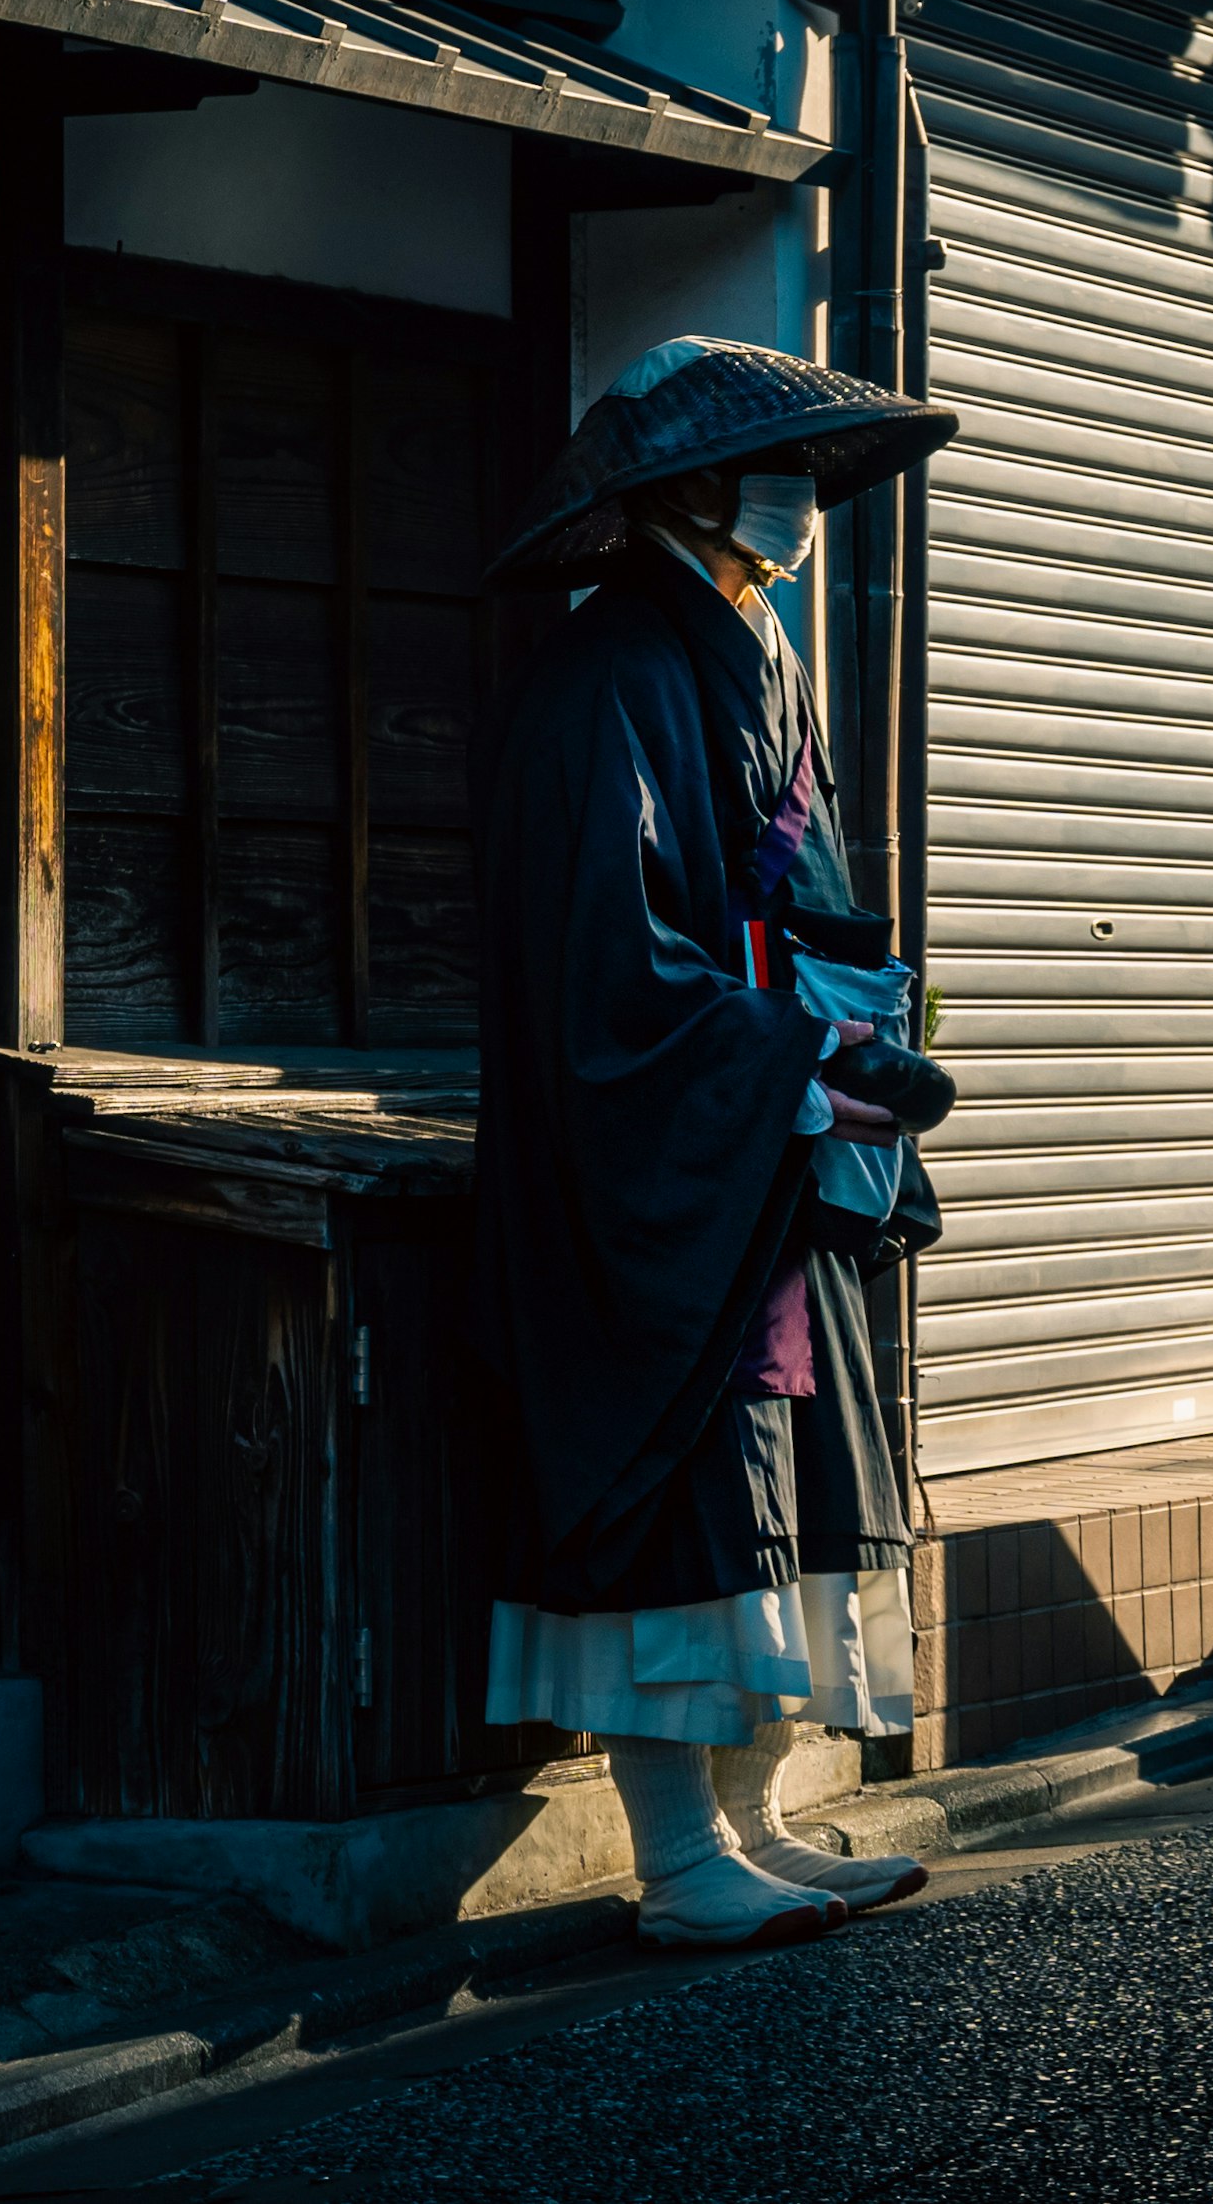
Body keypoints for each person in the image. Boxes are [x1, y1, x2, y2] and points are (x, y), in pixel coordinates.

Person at [470, 335, 963, 1951]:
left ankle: (752, 1820)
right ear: (683, 487)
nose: (799, 501)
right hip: (666, 1137)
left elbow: (799, 901)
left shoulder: (753, 647)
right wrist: (788, 1056)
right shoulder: (603, 670)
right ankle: (676, 1858)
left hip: (760, 1130)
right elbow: (606, 962)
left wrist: (847, 1045)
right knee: (685, 1487)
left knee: (795, 1482)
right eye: (774, 472)